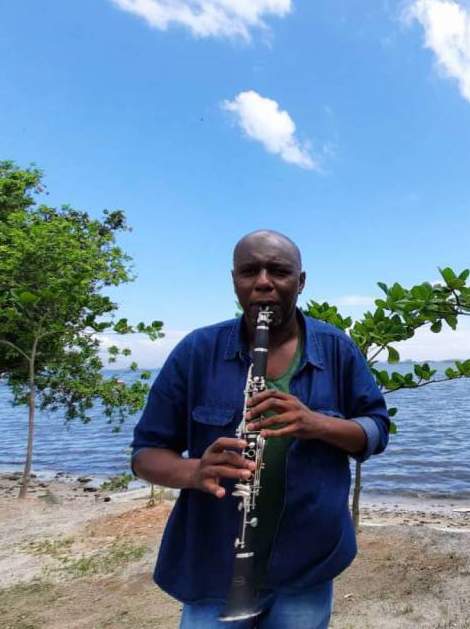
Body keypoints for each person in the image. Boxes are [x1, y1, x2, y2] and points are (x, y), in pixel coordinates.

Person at [130, 230, 390, 628]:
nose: (264, 282)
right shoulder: (196, 352)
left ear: (300, 282)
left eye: (279, 272)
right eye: (250, 271)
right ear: (235, 280)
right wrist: (195, 472)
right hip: (213, 563)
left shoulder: (336, 348)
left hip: (308, 562)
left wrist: (316, 423)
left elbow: (375, 431)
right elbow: (146, 453)